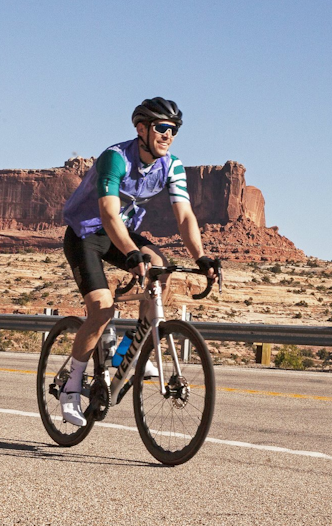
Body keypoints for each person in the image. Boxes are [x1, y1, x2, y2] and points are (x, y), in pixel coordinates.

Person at [58, 97, 220, 426]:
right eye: (162, 128)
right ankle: (71, 387)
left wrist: (201, 257)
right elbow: (107, 212)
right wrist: (130, 252)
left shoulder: (171, 166)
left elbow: (185, 216)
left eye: (174, 130)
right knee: (103, 308)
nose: (168, 135)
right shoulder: (115, 158)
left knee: (158, 268)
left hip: (122, 232)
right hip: (86, 234)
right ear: (141, 129)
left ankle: (129, 352)